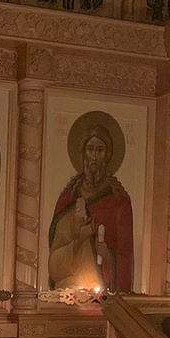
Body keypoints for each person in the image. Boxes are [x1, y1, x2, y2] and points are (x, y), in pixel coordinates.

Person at [48, 124, 134, 292]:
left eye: (100, 150)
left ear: (107, 155)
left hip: (104, 290)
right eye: (90, 149)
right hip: (70, 289)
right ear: (83, 153)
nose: (94, 156)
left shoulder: (118, 201)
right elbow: (56, 248)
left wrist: (107, 254)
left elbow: (125, 253)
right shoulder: (68, 198)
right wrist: (80, 238)